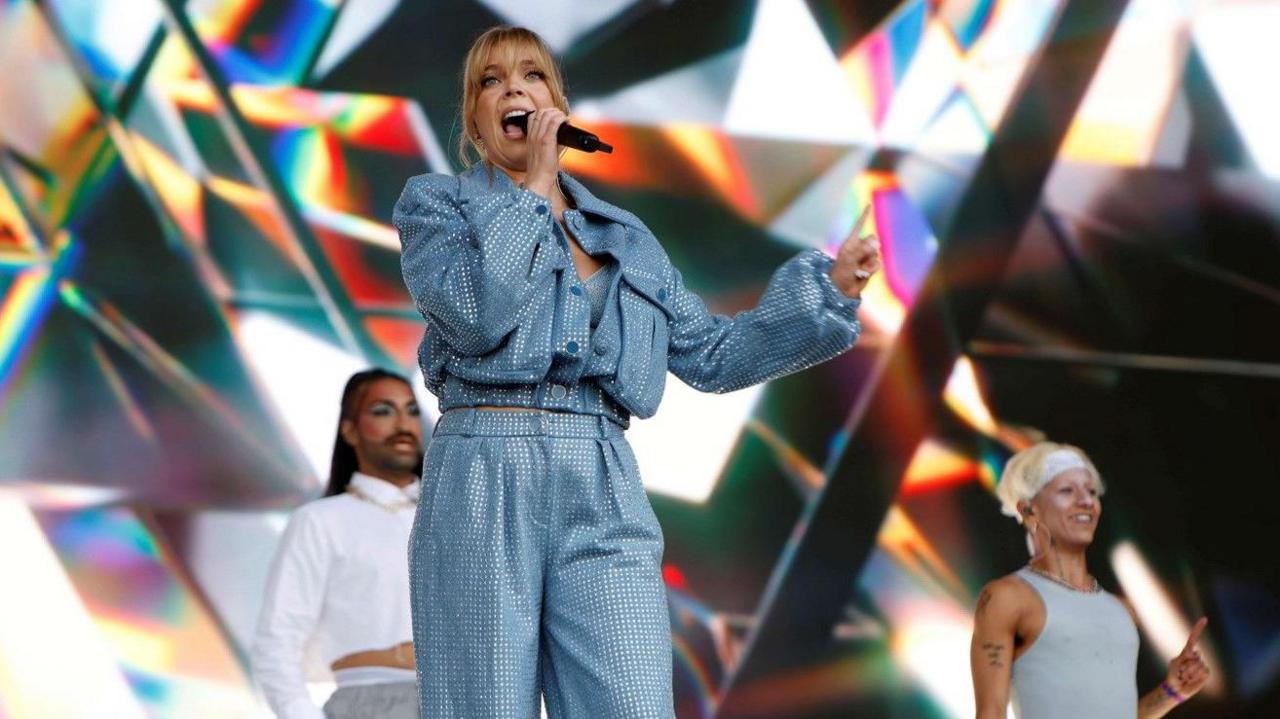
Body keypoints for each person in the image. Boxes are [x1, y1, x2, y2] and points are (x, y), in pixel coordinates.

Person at [393, 25, 880, 718]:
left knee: (632, 701)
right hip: (483, 466)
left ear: (557, 100)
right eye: (490, 82)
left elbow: (713, 356)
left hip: (602, 474)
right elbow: (476, 316)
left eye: (530, 75)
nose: (513, 90)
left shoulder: (625, 236)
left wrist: (829, 291)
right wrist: (532, 188)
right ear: (473, 118)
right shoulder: (438, 206)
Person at [970, 442, 1211, 719]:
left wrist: (1171, 692)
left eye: (1091, 491)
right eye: (1067, 490)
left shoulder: (1122, 610)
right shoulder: (1007, 598)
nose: (1086, 500)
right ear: (1029, 511)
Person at [252, 369, 425, 719]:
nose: (403, 424)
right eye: (383, 411)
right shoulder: (320, 521)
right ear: (349, 430)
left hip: (464, 699)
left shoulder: (452, 518)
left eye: (411, 410)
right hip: (371, 701)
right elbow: (278, 640)